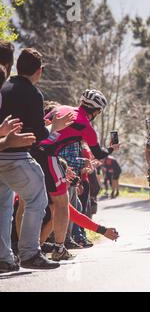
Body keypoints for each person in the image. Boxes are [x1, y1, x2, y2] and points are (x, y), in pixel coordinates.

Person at [0, 47, 69, 271]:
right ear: (39, 71)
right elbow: (39, 136)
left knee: (3, 206)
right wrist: (55, 127)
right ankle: (30, 253)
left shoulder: (4, 86)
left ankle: (5, 258)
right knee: (37, 198)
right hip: (16, 156)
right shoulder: (33, 93)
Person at [33, 89, 120, 261]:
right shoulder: (85, 126)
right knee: (62, 205)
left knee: (51, 207)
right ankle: (57, 248)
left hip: (31, 151)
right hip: (48, 157)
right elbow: (99, 153)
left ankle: (33, 248)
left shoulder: (61, 109)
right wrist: (111, 149)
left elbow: (42, 125)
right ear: (96, 111)